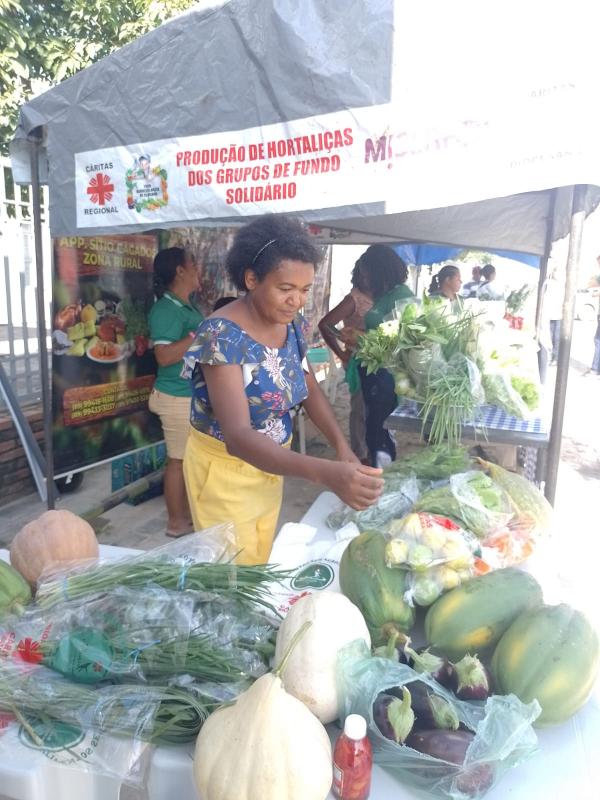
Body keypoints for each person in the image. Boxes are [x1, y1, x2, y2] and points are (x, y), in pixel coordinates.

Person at [182, 215, 383, 564]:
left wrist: (341, 446)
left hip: (273, 464)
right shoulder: (221, 336)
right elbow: (238, 435)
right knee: (234, 574)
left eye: (304, 290)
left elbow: (305, 383)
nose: (297, 301)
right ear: (251, 279)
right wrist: (323, 471)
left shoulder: (290, 324)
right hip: (225, 474)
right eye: (286, 289)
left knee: (259, 554)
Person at [148, 247, 203, 537]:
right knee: (178, 460)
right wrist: (196, 337)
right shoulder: (166, 309)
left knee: (189, 458)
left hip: (189, 393)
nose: (198, 268)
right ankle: (176, 523)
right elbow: (164, 356)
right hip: (175, 396)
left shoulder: (187, 305)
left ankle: (188, 515)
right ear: (180, 271)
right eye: (193, 263)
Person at [357, 245, 415, 468]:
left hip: (386, 376)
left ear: (379, 271)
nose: (364, 278)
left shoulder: (403, 297)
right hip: (373, 371)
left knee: (380, 425)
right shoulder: (385, 296)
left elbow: (403, 340)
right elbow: (381, 331)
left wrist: (361, 339)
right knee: (373, 422)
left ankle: (382, 471)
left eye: (366, 273)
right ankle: (378, 466)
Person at [318, 257, 373, 463]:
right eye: (365, 273)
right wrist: (341, 352)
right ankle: (360, 454)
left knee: (374, 409)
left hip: (377, 362)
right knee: (359, 409)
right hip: (358, 361)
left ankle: (372, 447)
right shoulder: (355, 299)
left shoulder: (382, 295)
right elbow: (326, 324)